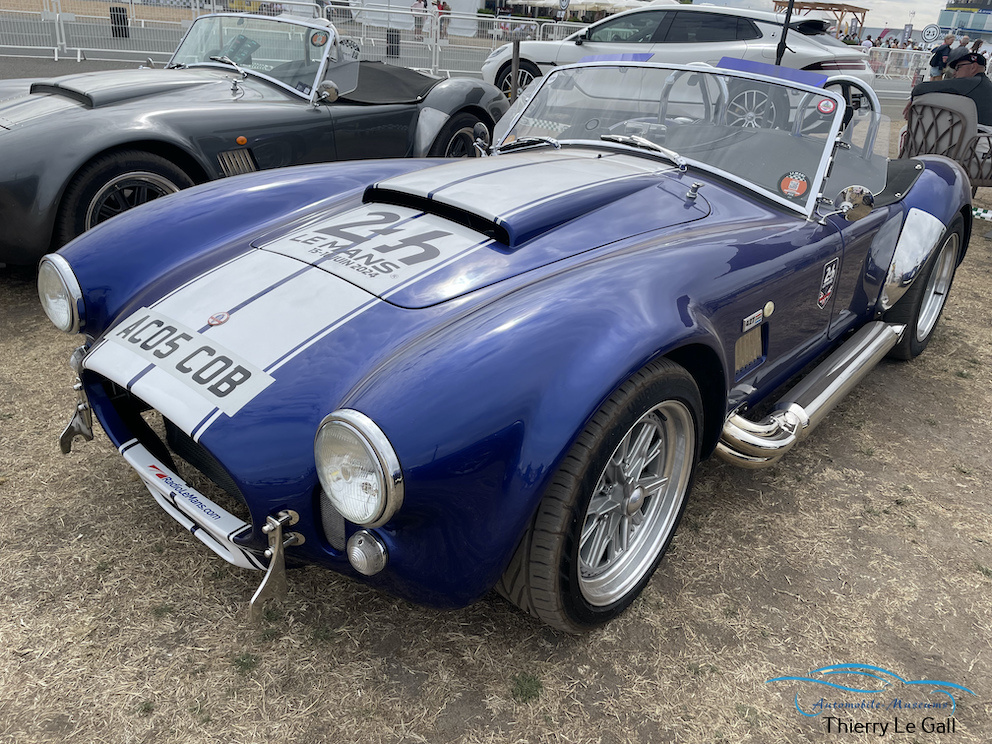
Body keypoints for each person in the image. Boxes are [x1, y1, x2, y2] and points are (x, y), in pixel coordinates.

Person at [906, 52, 992, 126]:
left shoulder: (972, 83)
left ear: (973, 67)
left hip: (973, 135)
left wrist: (914, 99)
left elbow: (921, 88)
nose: (954, 73)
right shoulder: (983, 84)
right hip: (983, 134)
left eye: (958, 68)